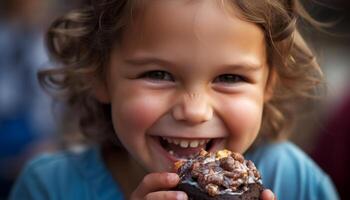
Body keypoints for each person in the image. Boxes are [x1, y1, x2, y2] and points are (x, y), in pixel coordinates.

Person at [9, 0, 339, 199]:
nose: (195, 111)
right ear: (99, 75)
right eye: (159, 75)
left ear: (269, 84)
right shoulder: (49, 187)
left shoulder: (291, 179)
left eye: (229, 78)